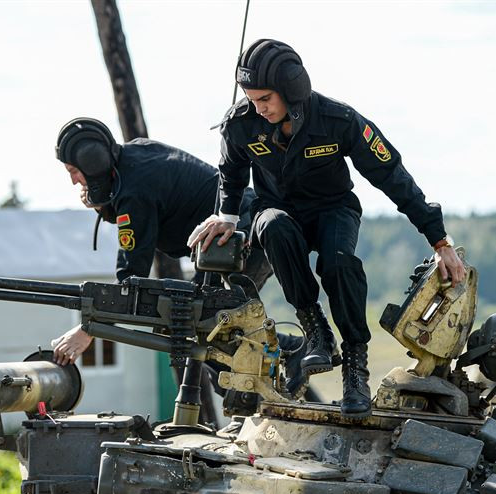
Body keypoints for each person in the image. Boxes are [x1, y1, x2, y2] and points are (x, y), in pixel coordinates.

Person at [189, 39, 466, 419]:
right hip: (280, 212)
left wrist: (439, 239)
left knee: (339, 264)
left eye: (265, 98)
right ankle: (315, 327)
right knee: (270, 225)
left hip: (333, 210)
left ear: (292, 89)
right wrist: (227, 216)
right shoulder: (241, 124)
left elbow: (391, 175)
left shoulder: (338, 120)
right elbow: (231, 173)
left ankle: (355, 365)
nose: (259, 107)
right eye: (252, 99)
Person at [49, 117, 274, 367]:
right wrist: (104, 204)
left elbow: (130, 280)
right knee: (211, 339)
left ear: (93, 163)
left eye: (73, 171)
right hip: (237, 236)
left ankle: (289, 355)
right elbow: (145, 210)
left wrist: (87, 330)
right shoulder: (135, 157)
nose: (73, 181)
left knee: (212, 328)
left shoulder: (135, 192)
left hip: (241, 240)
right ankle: (283, 366)